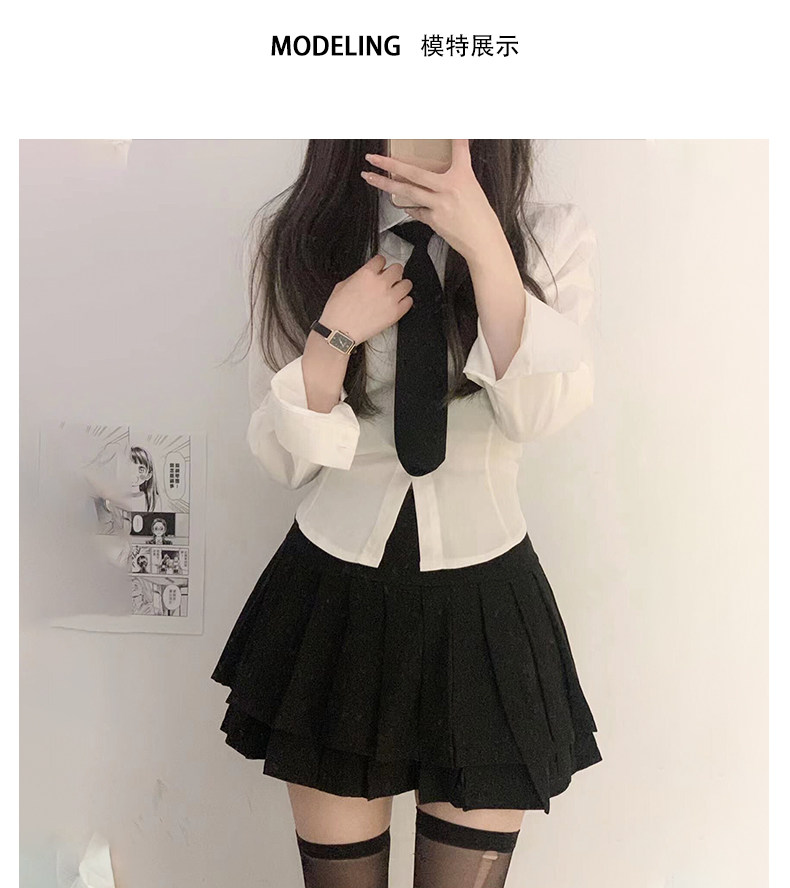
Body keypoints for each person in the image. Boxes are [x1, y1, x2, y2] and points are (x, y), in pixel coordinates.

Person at [211, 139, 603, 888]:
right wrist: (332, 338)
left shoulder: (548, 237)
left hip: (487, 608)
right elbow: (286, 463)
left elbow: (539, 414)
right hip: (333, 602)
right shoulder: (303, 236)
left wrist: (486, 247)